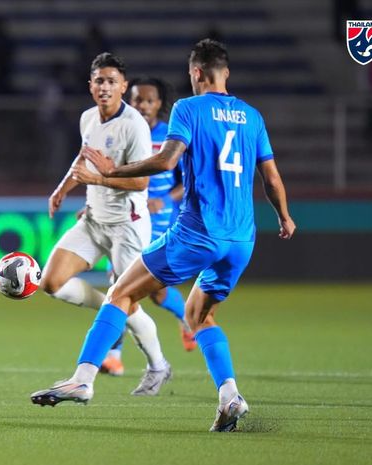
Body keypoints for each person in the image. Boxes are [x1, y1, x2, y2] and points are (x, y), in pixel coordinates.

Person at [31, 39, 296, 433]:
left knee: (121, 291)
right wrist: (285, 217)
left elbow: (166, 160)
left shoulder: (188, 108)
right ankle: (229, 396)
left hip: (199, 231)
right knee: (200, 315)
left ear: (196, 74)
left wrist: (108, 174)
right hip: (241, 239)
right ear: (227, 73)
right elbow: (271, 177)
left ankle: (83, 379)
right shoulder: (252, 116)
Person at [39, 52, 173, 397]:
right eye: (99, 80)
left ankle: (158, 365)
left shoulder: (134, 126)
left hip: (127, 226)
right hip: (94, 220)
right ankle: (112, 305)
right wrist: (62, 189)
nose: (105, 87)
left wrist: (97, 181)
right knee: (50, 281)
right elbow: (83, 158)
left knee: (129, 301)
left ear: (123, 87)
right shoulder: (88, 118)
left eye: (112, 81)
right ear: (90, 85)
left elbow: (141, 183)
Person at [100, 77, 194, 377]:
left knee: (150, 289)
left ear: (159, 105)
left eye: (149, 100)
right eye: (138, 99)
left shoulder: (171, 136)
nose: (142, 105)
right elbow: (110, 175)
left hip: (159, 218)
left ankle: (187, 319)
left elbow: (187, 181)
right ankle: (114, 355)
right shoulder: (122, 131)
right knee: (120, 282)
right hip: (125, 214)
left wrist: (164, 199)